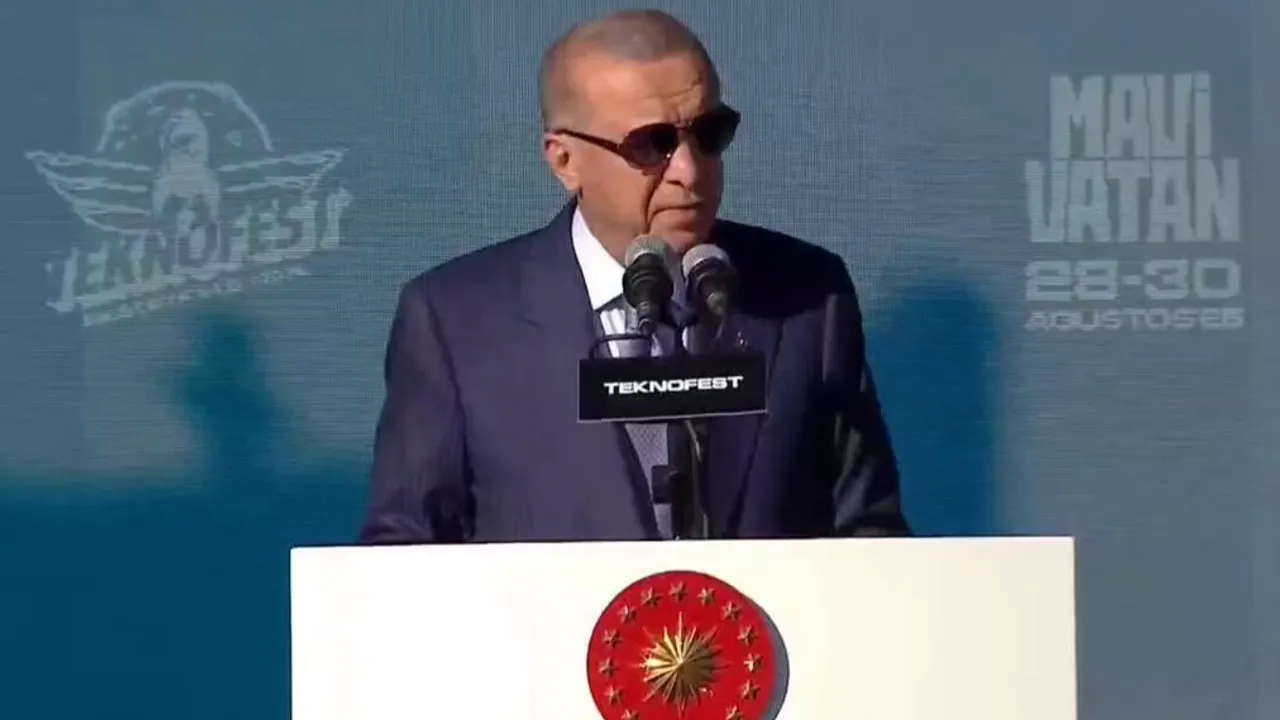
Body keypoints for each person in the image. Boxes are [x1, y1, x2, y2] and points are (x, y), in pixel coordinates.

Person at [359, 9, 910, 543]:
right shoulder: (455, 323)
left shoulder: (809, 298)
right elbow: (404, 553)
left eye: (709, 133)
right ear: (564, 161)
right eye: (652, 144)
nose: (689, 172)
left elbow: (871, 538)